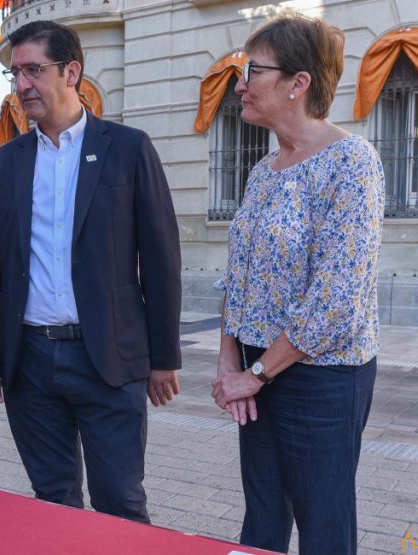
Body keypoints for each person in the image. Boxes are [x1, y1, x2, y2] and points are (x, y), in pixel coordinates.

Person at [0, 21, 181, 523]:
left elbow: (161, 258)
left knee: (120, 503)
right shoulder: (4, 164)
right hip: (29, 362)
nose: (22, 85)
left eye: (33, 70)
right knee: (53, 501)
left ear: (71, 72)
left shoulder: (128, 148)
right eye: (15, 74)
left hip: (108, 357)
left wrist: (163, 357)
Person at [210, 13, 384, 555]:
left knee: (324, 527)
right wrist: (229, 359)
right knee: (262, 520)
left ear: (298, 83)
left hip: (321, 378)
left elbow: (336, 301)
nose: (240, 84)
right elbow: (239, 274)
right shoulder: (263, 170)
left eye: (252, 71)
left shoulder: (352, 163)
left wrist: (256, 374)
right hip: (256, 368)